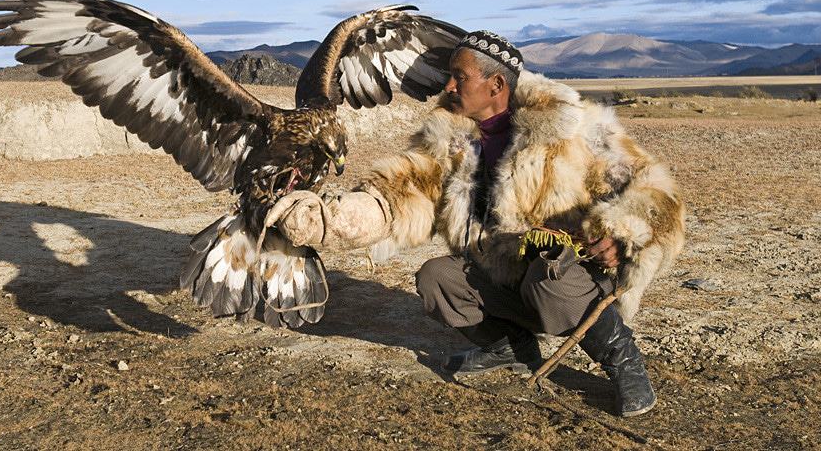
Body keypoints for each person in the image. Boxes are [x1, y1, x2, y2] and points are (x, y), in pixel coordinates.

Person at [265, 30, 685, 418]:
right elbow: (403, 190)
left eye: (458, 77)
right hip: (503, 272)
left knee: (549, 275)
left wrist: (623, 232)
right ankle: (511, 347)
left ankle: (625, 363)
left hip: (574, 276)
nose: (447, 87)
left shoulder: (575, 128)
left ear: (496, 86)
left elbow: (656, 190)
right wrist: (330, 218)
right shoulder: (449, 137)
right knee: (437, 278)